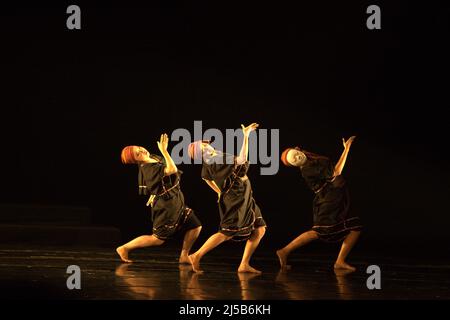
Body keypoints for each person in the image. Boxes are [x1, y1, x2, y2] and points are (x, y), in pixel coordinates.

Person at [187, 123, 267, 273]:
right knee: (227, 232)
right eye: (204, 146)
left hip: (244, 195)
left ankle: (244, 264)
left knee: (259, 228)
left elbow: (205, 178)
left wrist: (219, 191)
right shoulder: (215, 158)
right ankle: (196, 255)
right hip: (236, 198)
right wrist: (246, 136)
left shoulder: (209, 161)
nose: (208, 145)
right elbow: (242, 159)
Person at [277, 136, 362, 272]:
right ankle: (285, 251)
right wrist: (347, 149)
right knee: (320, 231)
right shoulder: (309, 168)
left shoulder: (311, 158)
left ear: (298, 149)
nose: (298, 157)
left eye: (297, 154)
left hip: (336, 196)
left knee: (354, 227)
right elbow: (336, 172)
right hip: (328, 200)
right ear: (295, 166)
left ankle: (340, 261)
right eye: (295, 160)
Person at [116, 134, 202, 264]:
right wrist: (164, 150)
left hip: (176, 200)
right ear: (137, 160)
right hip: (166, 206)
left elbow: (157, 183)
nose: (142, 151)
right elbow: (172, 169)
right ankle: (124, 248)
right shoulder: (148, 169)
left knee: (195, 226)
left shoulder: (152, 157)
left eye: (139, 148)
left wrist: (153, 193)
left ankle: (184, 255)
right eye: (138, 154)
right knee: (157, 239)